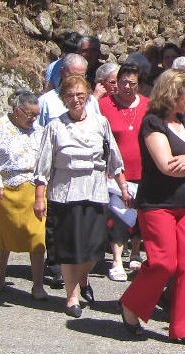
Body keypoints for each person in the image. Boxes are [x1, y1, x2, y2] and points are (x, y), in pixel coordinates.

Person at [119, 70, 185, 345]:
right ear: (173, 92)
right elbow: (167, 167)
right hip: (157, 204)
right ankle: (131, 304)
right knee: (163, 263)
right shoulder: (153, 122)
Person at [33, 75, 127, 318]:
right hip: (65, 193)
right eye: (70, 95)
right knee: (70, 248)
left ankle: (83, 278)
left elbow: (114, 158)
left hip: (95, 191)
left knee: (95, 248)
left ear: (87, 95)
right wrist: (40, 197)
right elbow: (43, 165)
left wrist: (123, 187)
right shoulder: (55, 126)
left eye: (80, 94)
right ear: (63, 99)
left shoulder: (101, 123)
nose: (75, 99)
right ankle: (72, 297)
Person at [0, 89, 48, 299]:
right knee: (3, 236)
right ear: (17, 110)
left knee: (37, 237)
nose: (34, 119)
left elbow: (46, 163)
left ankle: (38, 284)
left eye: (36, 115)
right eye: (30, 114)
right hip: (4, 188)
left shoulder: (40, 132)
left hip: (33, 188)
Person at [99, 64, 146, 281]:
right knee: (118, 215)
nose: (127, 87)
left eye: (132, 83)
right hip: (115, 171)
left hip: (143, 170)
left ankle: (135, 252)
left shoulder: (148, 105)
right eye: (123, 82)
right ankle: (117, 260)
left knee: (139, 214)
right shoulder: (104, 105)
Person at [38, 53, 87, 126]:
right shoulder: (45, 101)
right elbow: (37, 130)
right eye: (73, 75)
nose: (76, 80)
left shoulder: (90, 100)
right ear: (62, 72)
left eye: (81, 76)